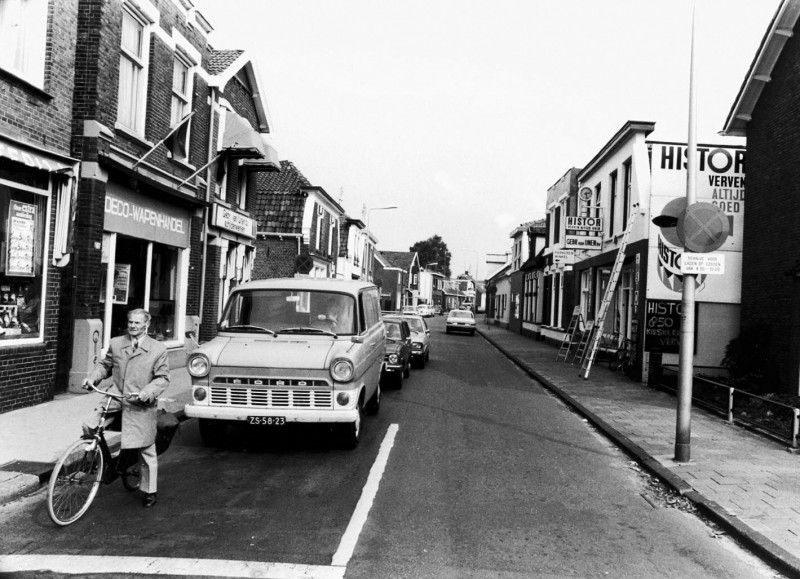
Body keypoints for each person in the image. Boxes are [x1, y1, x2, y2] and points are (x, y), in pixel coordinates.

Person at [82, 308, 169, 508]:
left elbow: (162, 378)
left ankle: (149, 490)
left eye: (137, 323)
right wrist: (92, 377)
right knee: (90, 426)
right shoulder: (116, 343)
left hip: (140, 402)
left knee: (146, 447)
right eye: (130, 322)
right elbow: (105, 365)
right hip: (116, 396)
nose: (133, 326)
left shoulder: (157, 349)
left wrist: (147, 392)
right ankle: (99, 461)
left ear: (146, 325)